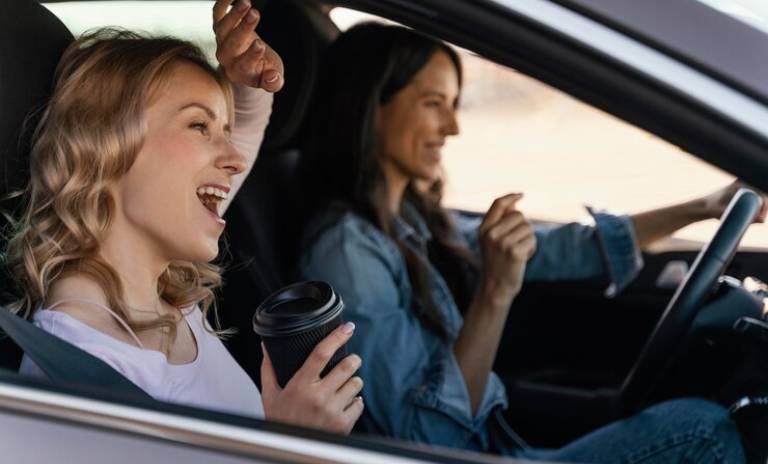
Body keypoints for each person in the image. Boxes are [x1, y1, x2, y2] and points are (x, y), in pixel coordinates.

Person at [298, 22, 750, 461]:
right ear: (370, 105)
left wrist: (705, 206)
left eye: (454, 104)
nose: (452, 127)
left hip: (499, 445)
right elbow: (426, 438)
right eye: (434, 103)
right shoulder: (348, 251)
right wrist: (496, 291)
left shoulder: (411, 220)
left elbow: (565, 248)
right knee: (701, 431)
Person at [4, 0, 363, 435]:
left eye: (224, 131)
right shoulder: (73, 380)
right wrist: (296, 446)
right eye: (199, 127)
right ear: (108, 147)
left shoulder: (165, 294)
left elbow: (246, 132)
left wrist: (245, 78)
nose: (232, 158)